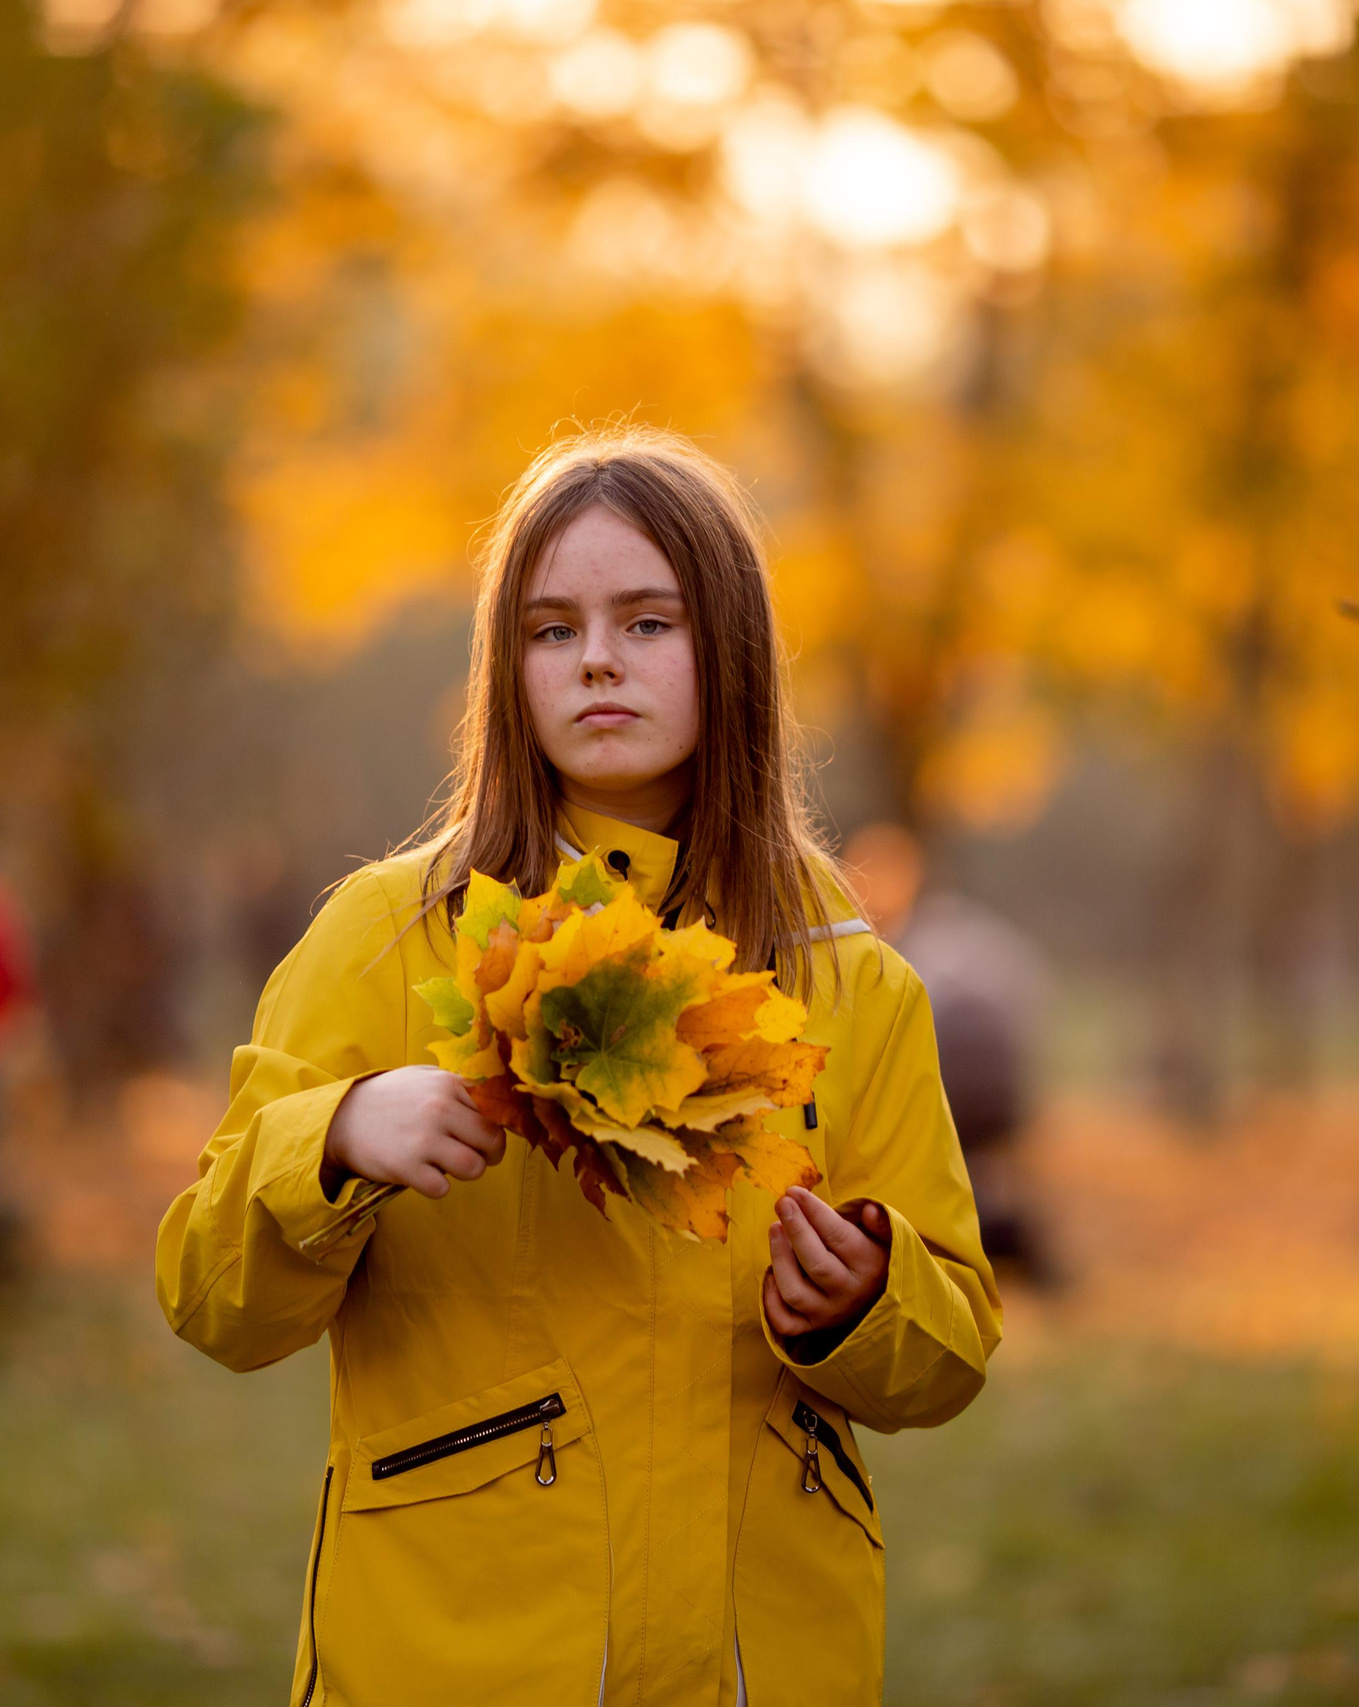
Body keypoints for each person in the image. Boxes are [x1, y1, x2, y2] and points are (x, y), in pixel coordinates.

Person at [156, 428, 1000, 1707]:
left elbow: (949, 1352)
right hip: (456, 1650)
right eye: (552, 630)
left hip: (757, 1659)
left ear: (733, 655)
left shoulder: (846, 979)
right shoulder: (389, 937)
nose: (596, 657)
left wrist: (865, 1299)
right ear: (508, 670)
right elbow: (212, 1301)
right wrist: (327, 1141)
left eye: (647, 621)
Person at [844, 822, 1055, 1283]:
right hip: (1006, 1093)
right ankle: (1006, 1238)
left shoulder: (884, 948)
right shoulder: (966, 925)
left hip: (950, 1091)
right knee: (983, 1178)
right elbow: (1027, 980)